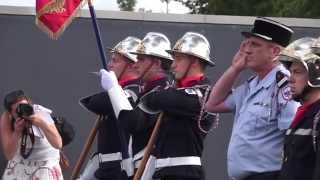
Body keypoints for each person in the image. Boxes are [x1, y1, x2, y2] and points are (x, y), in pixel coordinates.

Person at [205, 17, 299, 180]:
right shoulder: (252, 85)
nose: (247, 50)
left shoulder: (283, 85)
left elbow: (292, 136)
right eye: (246, 43)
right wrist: (234, 69)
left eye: (255, 44)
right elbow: (212, 105)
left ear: (275, 52)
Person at [140, 32, 217, 180]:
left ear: (194, 61)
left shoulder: (205, 92)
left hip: (185, 174)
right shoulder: (176, 90)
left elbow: (166, 100)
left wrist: (166, 95)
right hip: (162, 173)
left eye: (179, 59)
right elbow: (148, 101)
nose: (173, 65)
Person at [99, 32, 174, 175]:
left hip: (150, 167)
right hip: (136, 165)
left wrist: (114, 89)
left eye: (141, 59)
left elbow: (133, 123)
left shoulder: (162, 90)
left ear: (157, 63)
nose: (136, 64)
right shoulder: (148, 89)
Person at [78, 36, 142, 180]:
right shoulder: (121, 88)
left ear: (132, 65)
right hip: (106, 165)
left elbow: (100, 103)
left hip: (123, 166)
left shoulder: (137, 88)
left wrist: (113, 89)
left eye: (115, 60)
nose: (109, 64)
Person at [277, 37, 320, 180]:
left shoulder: (317, 118)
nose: (290, 79)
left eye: (297, 72)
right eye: (291, 72)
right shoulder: (304, 115)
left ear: (316, 75)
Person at [0, 90, 63, 179]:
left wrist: (40, 122)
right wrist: (17, 132)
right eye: (17, 110)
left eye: (25, 106)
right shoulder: (7, 118)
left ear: (29, 103)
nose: (22, 111)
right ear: (11, 114)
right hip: (20, 166)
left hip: (44, 166)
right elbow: (9, 155)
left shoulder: (40, 112)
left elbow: (58, 144)